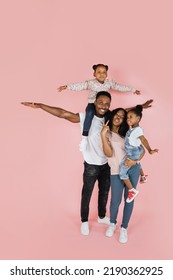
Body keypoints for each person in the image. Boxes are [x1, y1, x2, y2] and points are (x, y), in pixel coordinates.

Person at [21, 92, 153, 237]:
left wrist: (141, 107)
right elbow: (63, 113)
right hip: (91, 164)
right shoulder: (85, 117)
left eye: (107, 103)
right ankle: (84, 220)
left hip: (107, 165)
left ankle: (102, 217)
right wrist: (40, 106)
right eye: (100, 102)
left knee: (104, 193)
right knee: (87, 193)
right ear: (94, 102)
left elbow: (125, 113)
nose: (104, 106)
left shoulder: (111, 118)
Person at [100, 105, 153, 243]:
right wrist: (102, 134)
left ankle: (124, 228)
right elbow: (109, 153)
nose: (119, 117)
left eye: (123, 116)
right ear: (112, 116)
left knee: (129, 199)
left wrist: (135, 162)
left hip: (132, 170)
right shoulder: (107, 134)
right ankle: (112, 224)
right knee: (115, 201)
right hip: (116, 172)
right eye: (117, 114)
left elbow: (142, 151)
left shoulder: (129, 134)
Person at [57, 64, 140, 151]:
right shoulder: (91, 83)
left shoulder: (109, 83)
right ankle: (85, 138)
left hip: (104, 107)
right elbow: (80, 85)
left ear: (107, 74)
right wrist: (68, 86)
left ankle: (108, 138)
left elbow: (120, 87)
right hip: (92, 105)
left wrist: (133, 90)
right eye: (99, 72)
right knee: (89, 114)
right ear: (94, 74)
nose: (101, 74)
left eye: (104, 72)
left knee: (110, 116)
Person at [119, 105, 159, 203]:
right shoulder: (132, 129)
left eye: (131, 117)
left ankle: (132, 190)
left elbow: (143, 139)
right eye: (127, 117)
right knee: (137, 163)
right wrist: (140, 107)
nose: (128, 119)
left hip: (132, 153)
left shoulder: (138, 130)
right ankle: (143, 176)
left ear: (138, 119)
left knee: (122, 172)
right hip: (135, 150)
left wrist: (149, 150)